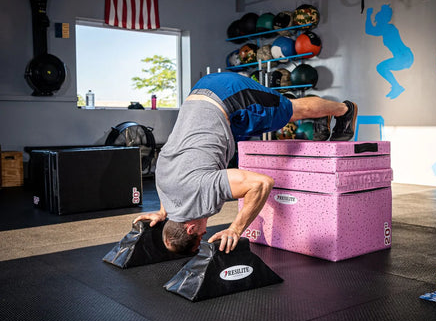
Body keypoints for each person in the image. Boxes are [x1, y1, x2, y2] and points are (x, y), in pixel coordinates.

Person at [134, 71, 358, 255]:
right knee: (265, 123)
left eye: (201, 234)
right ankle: (305, 108)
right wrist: (163, 213)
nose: (205, 231)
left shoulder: (203, 185)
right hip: (206, 98)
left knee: (291, 112)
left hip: (227, 93)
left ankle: (344, 110)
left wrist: (235, 229)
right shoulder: (165, 185)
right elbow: (167, 184)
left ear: (191, 227)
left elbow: (261, 184)